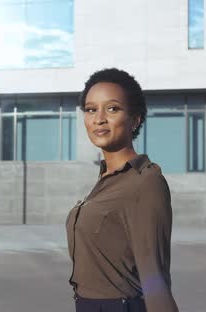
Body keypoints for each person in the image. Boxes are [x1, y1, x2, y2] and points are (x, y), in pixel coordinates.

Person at [66, 68, 179, 312]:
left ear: (135, 119)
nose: (99, 119)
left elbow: (155, 280)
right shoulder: (105, 179)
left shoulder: (145, 182)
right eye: (91, 109)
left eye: (112, 108)